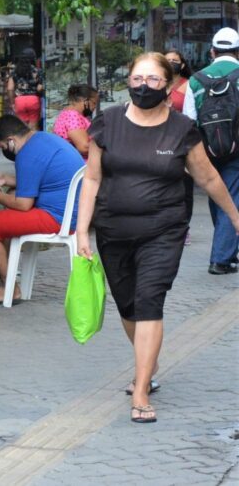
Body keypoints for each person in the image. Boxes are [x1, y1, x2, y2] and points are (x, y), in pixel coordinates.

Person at [77, 52, 239, 423]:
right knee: (128, 306)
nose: (143, 86)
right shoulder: (108, 122)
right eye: (137, 79)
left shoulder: (181, 129)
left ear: (167, 84)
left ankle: (142, 389)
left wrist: (234, 216)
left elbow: (209, 178)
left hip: (163, 231)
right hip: (113, 230)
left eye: (152, 80)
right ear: (128, 81)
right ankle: (147, 360)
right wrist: (80, 231)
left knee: (149, 300)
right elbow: (92, 178)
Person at [0, 115, 84, 305]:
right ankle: (4, 268)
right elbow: (44, 179)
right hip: (70, 214)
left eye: (2, 147)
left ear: (11, 141)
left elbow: (23, 204)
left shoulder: (27, 154)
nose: (4, 151)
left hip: (55, 217)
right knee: (12, 193)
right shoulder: (41, 139)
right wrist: (7, 179)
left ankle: (8, 287)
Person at [183, 27, 239, 274]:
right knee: (233, 197)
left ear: (212, 51)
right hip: (237, 150)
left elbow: (188, 120)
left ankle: (224, 248)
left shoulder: (196, 79)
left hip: (205, 149)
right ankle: (221, 258)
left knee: (216, 194)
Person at [164, 49, 194, 245]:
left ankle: (184, 227)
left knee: (185, 187)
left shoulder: (189, 85)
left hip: (182, 141)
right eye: (167, 60)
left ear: (182, 64)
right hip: (158, 140)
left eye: (175, 60)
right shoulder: (156, 83)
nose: (172, 63)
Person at [52, 84, 98, 158]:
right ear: (85, 101)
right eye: (94, 103)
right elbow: (84, 147)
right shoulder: (72, 116)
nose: (95, 107)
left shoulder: (67, 113)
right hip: (80, 166)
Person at [8, 48, 44, 130]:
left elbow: (10, 88)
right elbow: (39, 88)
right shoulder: (37, 71)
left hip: (19, 101)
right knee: (33, 127)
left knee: (22, 127)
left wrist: (12, 103)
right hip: (33, 100)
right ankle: (33, 142)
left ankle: (24, 141)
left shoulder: (14, 71)